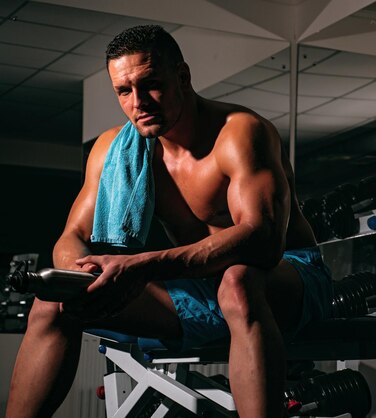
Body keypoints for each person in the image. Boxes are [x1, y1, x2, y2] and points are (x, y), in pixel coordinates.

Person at [6, 25, 332, 418]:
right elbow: (72, 237)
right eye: (124, 91)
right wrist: (83, 276)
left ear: (183, 76)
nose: (138, 102)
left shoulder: (241, 133)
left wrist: (143, 266)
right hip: (193, 287)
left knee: (238, 281)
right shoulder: (114, 149)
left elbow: (261, 240)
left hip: (284, 279)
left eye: (151, 84)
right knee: (51, 304)